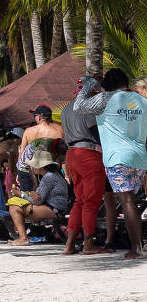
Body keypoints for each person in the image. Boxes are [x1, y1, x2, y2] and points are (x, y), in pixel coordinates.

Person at [77, 68, 146, 258]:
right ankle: (138, 244)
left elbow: (79, 106)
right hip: (139, 157)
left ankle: (136, 248)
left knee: (127, 202)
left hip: (117, 157)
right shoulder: (142, 100)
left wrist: (89, 83)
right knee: (131, 201)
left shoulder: (106, 98)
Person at [63, 74, 112, 255]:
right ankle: (88, 244)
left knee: (80, 201)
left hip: (72, 154)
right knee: (91, 201)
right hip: (88, 154)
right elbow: (95, 132)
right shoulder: (87, 107)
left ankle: (69, 245)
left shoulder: (66, 109)